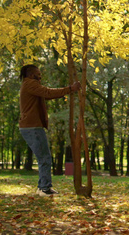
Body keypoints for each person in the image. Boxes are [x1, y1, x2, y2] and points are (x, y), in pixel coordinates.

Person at [18, 64, 81, 196]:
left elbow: (46, 94)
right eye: (38, 73)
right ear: (31, 74)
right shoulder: (30, 84)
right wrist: (70, 88)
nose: (40, 75)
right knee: (45, 158)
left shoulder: (30, 84)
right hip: (32, 127)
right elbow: (47, 92)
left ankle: (43, 187)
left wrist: (68, 90)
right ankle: (44, 188)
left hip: (32, 126)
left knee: (44, 157)